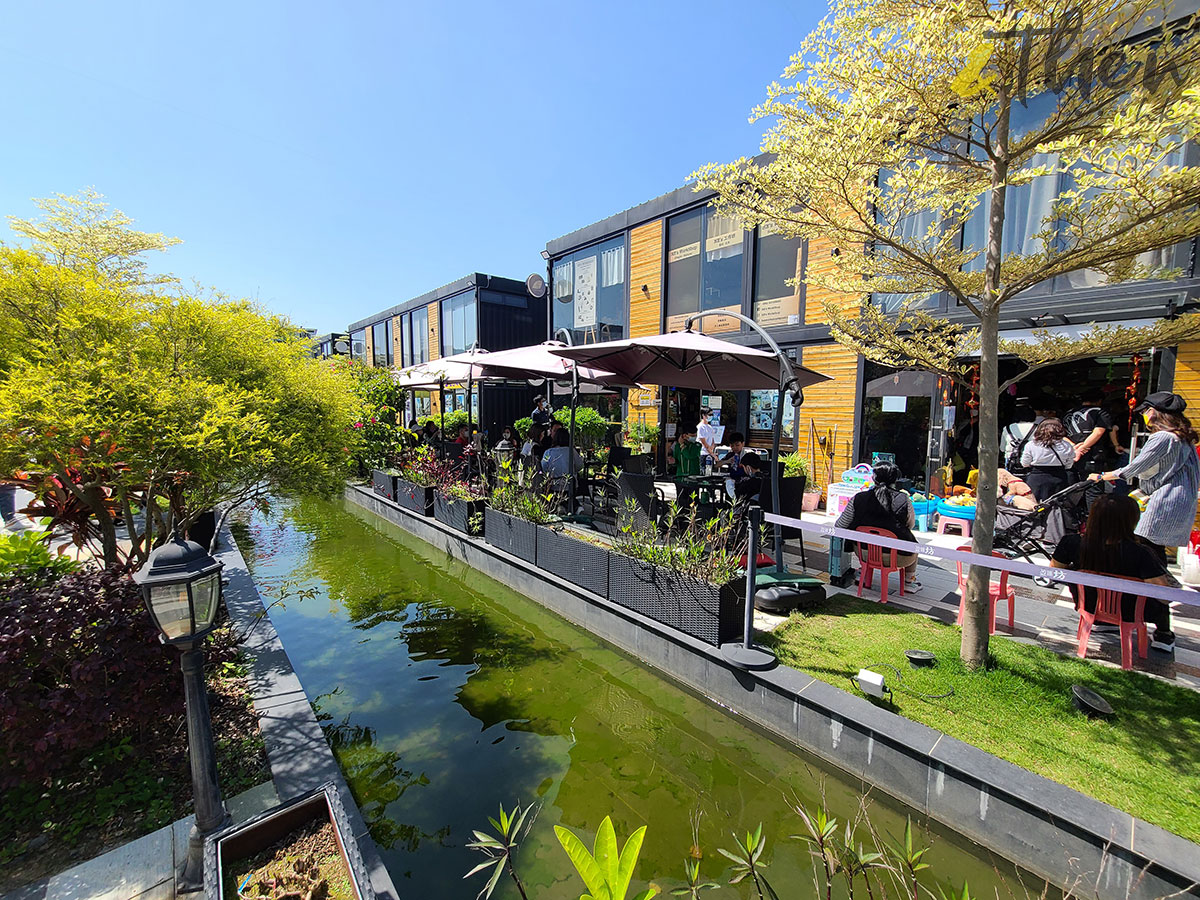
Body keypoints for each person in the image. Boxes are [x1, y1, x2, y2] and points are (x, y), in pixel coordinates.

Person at [1090, 391, 1200, 594]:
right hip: (1182, 497)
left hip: (1165, 498)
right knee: (1150, 542)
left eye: (1145, 412)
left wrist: (1101, 476)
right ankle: (1160, 584)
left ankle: (1160, 586)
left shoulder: (1162, 437)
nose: (1144, 416)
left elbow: (1135, 467)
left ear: (1153, 412)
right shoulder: (1183, 437)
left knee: (1145, 542)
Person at [1050, 493, 1175, 651]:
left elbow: (1055, 570)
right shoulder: (1142, 553)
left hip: (1089, 604)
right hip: (1133, 611)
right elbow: (1164, 597)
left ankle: (1103, 620)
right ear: (1131, 520)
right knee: (1162, 591)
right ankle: (1163, 635)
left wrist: (1080, 573)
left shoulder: (1071, 542)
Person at [835, 462, 921, 592]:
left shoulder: (858, 498)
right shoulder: (904, 499)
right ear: (895, 479)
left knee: (866, 540)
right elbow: (910, 525)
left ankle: (863, 573)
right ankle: (909, 580)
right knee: (914, 545)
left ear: (873, 478)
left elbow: (840, 525)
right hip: (898, 556)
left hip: (863, 552)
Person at [1020, 417, 1076, 501]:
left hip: (1036, 478)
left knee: (1034, 505)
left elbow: (1024, 463)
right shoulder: (1066, 445)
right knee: (1057, 506)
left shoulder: (1031, 444)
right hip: (1059, 477)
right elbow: (1069, 465)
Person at [1064, 390, 1117, 475]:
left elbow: (1061, 434)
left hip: (1069, 453)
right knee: (1091, 484)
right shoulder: (1101, 412)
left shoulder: (1068, 413)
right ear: (1100, 401)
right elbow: (1098, 432)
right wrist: (1083, 447)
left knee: (1071, 484)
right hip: (1092, 454)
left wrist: (1074, 447)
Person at [1001, 401, 1036, 473]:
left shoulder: (1007, 428)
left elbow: (1002, 448)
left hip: (1011, 461)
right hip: (1031, 461)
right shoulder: (1037, 428)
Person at [722, 432, 747, 498]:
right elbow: (717, 464)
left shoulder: (747, 454)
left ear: (743, 444)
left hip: (744, 481)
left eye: (737, 445)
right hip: (732, 479)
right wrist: (727, 461)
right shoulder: (730, 454)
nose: (735, 448)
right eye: (732, 446)